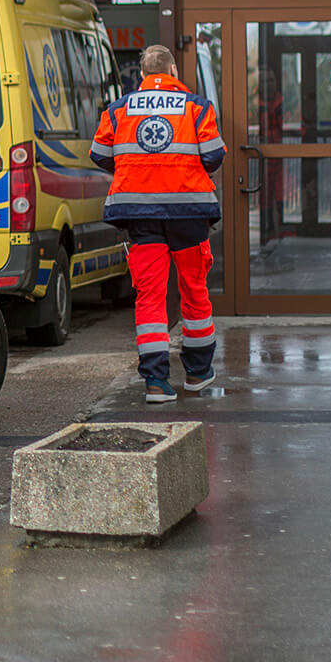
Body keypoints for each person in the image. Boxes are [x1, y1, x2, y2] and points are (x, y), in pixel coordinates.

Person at [90, 44, 226, 404]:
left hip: (140, 215)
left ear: (144, 74)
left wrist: (139, 169)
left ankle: (156, 383)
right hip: (188, 215)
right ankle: (197, 373)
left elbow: (101, 154)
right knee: (193, 290)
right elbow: (213, 156)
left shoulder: (119, 110)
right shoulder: (197, 107)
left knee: (149, 296)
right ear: (173, 71)